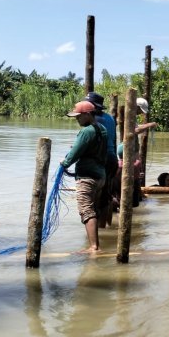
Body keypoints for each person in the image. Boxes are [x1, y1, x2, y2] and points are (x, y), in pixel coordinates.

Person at [61, 100, 108, 252]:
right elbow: (94, 151)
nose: (77, 119)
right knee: (94, 209)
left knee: (87, 211)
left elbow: (74, 154)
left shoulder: (86, 131)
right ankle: (94, 243)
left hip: (87, 178)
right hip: (100, 176)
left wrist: (64, 163)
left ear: (88, 114)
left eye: (79, 116)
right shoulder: (102, 129)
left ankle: (94, 247)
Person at [84, 92, 118, 228]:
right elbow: (113, 140)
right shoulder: (110, 118)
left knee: (95, 200)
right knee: (106, 195)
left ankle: (99, 230)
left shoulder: (95, 120)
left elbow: (92, 141)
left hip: (101, 159)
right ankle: (106, 225)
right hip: (111, 159)